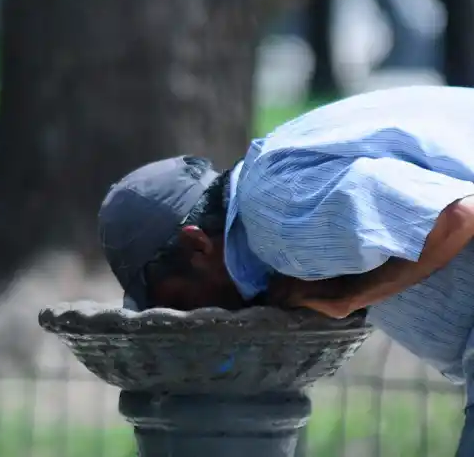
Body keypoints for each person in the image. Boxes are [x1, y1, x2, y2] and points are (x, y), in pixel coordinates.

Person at [98, 85, 474, 456]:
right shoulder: (274, 195)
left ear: (198, 245)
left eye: (179, 302)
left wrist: (348, 298)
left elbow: (457, 215)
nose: (188, 318)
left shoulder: (272, 213)